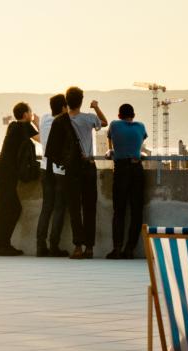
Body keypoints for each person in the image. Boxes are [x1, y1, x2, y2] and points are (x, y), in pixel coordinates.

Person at [0, 102, 40, 256]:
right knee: (10, 209)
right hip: (5, 174)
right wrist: (37, 123)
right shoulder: (23, 126)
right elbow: (42, 139)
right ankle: (0, 246)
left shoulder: (13, 126)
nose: (31, 114)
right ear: (25, 114)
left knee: (6, 209)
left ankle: (1, 245)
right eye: (30, 112)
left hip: (2, 173)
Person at [63, 87, 107, 260]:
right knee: (89, 208)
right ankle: (90, 247)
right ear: (81, 101)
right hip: (88, 166)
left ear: (67, 101)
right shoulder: (89, 119)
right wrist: (95, 106)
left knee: (75, 209)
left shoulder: (63, 120)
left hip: (72, 168)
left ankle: (78, 247)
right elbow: (104, 122)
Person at [106, 104, 149, 259]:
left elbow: (111, 142)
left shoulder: (114, 125)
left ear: (119, 115)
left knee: (119, 210)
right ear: (134, 115)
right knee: (137, 211)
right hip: (137, 169)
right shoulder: (141, 126)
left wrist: (110, 151)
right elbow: (140, 141)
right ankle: (130, 249)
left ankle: (117, 248)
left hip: (121, 169)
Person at [34, 94, 75, 258]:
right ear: (64, 108)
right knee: (59, 208)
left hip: (45, 167)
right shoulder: (65, 122)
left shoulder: (44, 118)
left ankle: (40, 246)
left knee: (46, 208)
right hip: (59, 169)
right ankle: (54, 246)